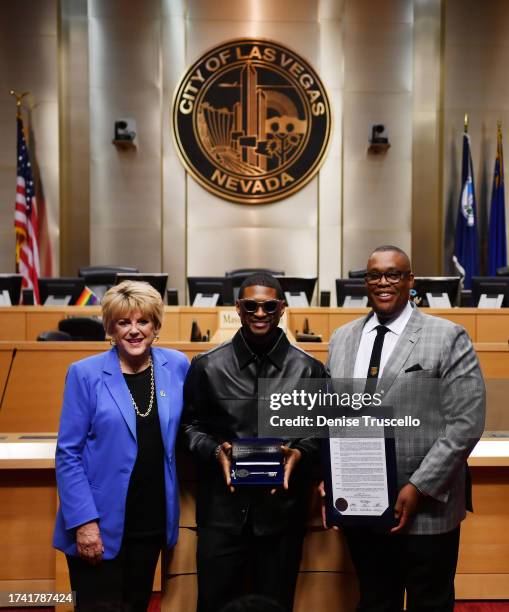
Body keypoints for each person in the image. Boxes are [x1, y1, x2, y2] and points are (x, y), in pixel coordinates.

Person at [325, 245, 485, 612]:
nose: (383, 282)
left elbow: (466, 422)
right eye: (374, 275)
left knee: (430, 602)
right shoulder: (342, 338)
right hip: (362, 505)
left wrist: (419, 486)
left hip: (427, 508)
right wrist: (329, 477)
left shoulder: (447, 336)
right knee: (375, 600)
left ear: (410, 281)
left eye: (393, 274)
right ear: (365, 282)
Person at [181, 273, 326, 612]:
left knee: (274, 606)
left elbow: (322, 432)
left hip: (282, 516)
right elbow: (189, 428)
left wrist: (300, 452)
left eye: (269, 306)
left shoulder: (309, 370)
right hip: (222, 515)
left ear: (282, 310)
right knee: (215, 605)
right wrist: (216, 451)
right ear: (238, 308)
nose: (260, 313)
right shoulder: (207, 366)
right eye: (251, 306)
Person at [53, 280, 189, 611]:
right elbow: (68, 454)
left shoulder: (178, 366)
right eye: (123, 322)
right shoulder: (84, 374)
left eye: (143, 321)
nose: (133, 330)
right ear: (110, 328)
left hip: (150, 521)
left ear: (156, 326)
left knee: (136, 605)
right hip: (99, 523)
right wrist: (84, 522)